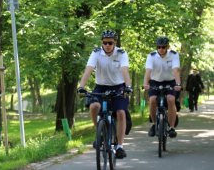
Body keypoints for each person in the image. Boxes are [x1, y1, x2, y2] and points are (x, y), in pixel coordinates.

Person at [77, 30, 132, 159]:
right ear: (102, 42)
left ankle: (119, 146)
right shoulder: (96, 53)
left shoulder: (121, 53)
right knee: (94, 107)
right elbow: (88, 70)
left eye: (110, 43)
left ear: (115, 43)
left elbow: (125, 71)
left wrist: (128, 87)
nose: (107, 45)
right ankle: (100, 133)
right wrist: (81, 87)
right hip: (100, 86)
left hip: (119, 86)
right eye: (105, 42)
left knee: (120, 113)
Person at [143, 36, 181, 138]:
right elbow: (148, 71)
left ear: (167, 47)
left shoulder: (174, 55)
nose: (161, 49)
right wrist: (145, 83)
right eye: (159, 47)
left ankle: (172, 128)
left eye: (163, 47)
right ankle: (154, 124)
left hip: (170, 81)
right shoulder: (151, 56)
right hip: (155, 81)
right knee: (152, 100)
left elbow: (175, 70)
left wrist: (178, 84)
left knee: (171, 99)